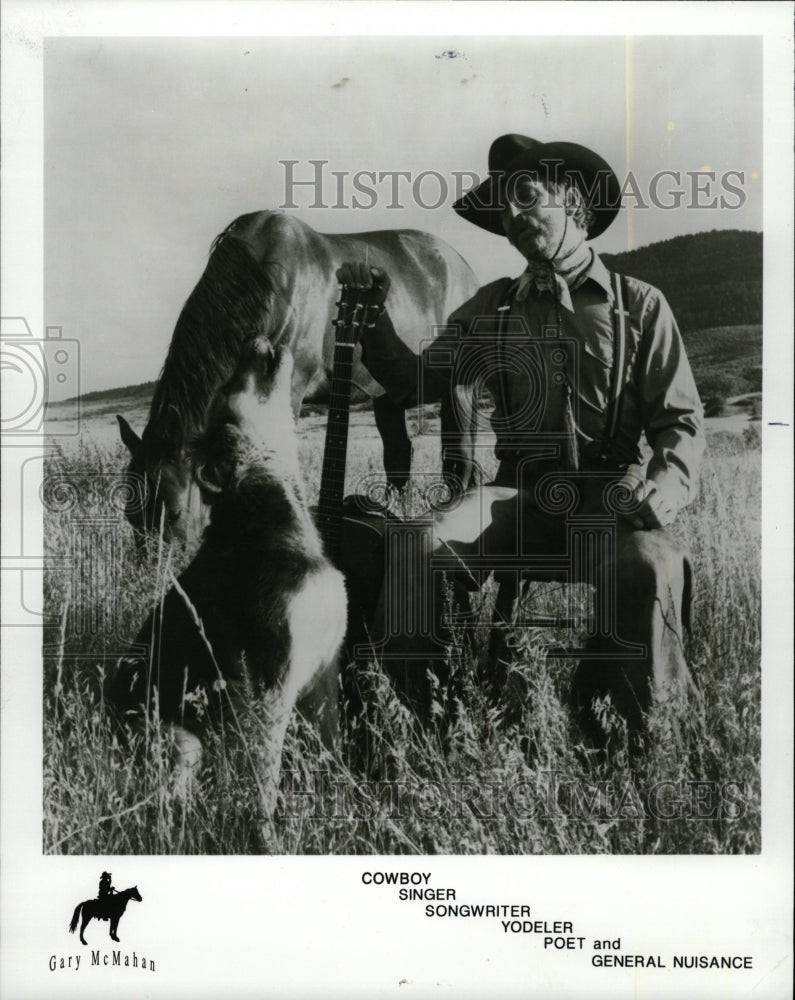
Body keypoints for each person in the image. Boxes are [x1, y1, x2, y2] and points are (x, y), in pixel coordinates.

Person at [338, 133, 705, 753]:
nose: (512, 216)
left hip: (607, 495)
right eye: (503, 208)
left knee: (652, 564)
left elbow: (680, 421)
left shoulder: (641, 308)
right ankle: (419, 734)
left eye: (526, 197)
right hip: (517, 496)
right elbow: (415, 380)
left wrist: (665, 487)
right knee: (418, 545)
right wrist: (373, 321)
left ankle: (637, 746)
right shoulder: (491, 309)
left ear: (575, 204)